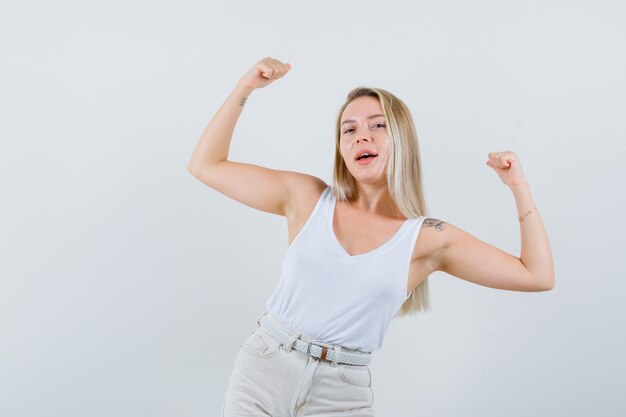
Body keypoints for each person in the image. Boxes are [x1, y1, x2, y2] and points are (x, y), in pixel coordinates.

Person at [187, 57, 555, 417]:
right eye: (349, 129)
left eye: (377, 125)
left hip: (341, 391)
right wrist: (246, 87)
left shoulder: (426, 239)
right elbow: (206, 165)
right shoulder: (307, 198)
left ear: (402, 139)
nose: (361, 134)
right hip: (263, 370)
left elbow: (536, 276)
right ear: (342, 149)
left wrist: (518, 186)